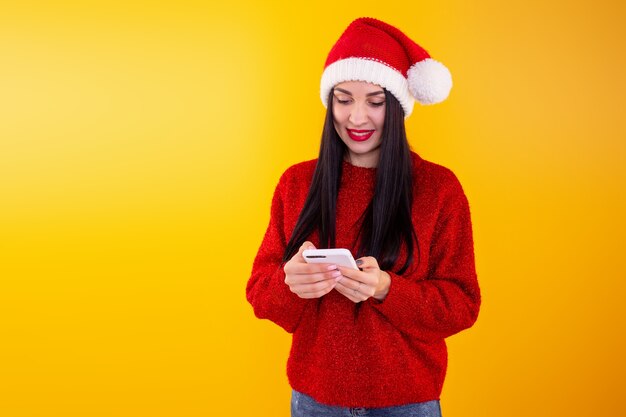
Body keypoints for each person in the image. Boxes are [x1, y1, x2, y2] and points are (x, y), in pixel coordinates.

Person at [246, 17, 481, 417]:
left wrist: (389, 288)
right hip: (315, 400)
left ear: (398, 105)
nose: (356, 118)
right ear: (329, 101)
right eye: (343, 99)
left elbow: (462, 304)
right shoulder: (296, 183)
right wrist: (291, 281)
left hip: (408, 403)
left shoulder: (438, 188)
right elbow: (260, 294)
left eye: (374, 102)